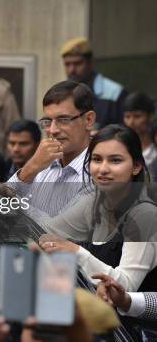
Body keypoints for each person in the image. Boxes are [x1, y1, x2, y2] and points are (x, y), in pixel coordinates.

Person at [40, 125, 157, 292]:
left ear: (136, 166)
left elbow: (125, 286)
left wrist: (76, 251)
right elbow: (46, 231)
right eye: (97, 159)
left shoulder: (145, 215)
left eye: (115, 160)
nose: (103, 169)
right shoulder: (95, 201)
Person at [5, 81, 96, 216]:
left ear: (88, 120)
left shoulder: (99, 171)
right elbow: (2, 210)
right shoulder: (43, 163)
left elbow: (59, 231)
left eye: (63, 119)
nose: (52, 130)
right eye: (47, 122)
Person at [60, 37, 127, 128]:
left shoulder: (114, 92)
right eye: (67, 64)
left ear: (90, 62)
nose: (72, 70)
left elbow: (123, 131)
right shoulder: (61, 93)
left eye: (77, 63)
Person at [123, 92, 156, 170]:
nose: (131, 122)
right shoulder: (120, 146)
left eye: (137, 116)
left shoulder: (154, 149)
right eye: (127, 117)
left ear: (150, 117)